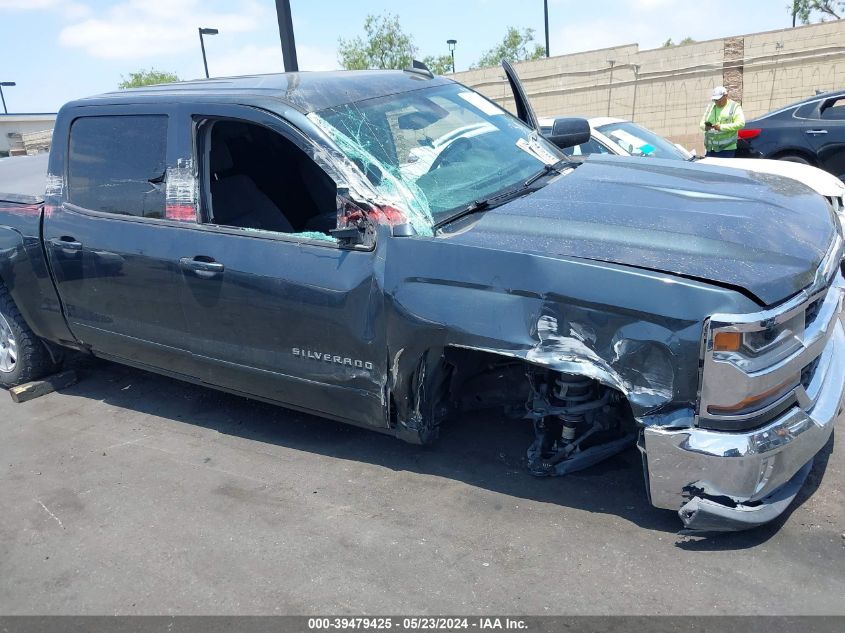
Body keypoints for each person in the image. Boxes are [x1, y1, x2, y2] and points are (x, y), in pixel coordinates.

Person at [699, 86, 745, 157]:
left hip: (726, 149)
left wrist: (721, 127)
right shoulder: (710, 107)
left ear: (726, 96)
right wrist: (705, 127)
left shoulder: (734, 106)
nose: (717, 102)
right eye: (715, 100)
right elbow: (701, 123)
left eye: (719, 100)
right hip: (710, 149)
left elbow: (741, 124)